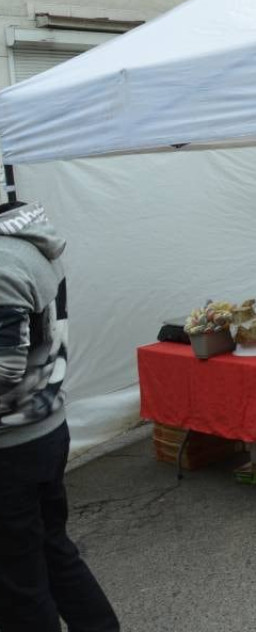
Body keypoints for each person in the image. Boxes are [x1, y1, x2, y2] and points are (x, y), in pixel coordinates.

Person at [0, 201, 120, 632]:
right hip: (43, 425)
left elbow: (5, 368)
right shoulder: (31, 242)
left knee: (18, 582)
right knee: (52, 551)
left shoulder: (4, 260)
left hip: (13, 445)